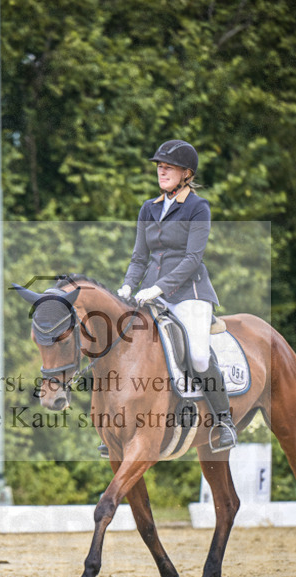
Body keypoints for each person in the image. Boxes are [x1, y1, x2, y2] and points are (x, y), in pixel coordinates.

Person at [117, 139, 237, 452]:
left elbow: (192, 258)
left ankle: (224, 420)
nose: (162, 171)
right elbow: (139, 257)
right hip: (151, 294)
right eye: (159, 166)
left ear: (186, 173)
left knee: (197, 354)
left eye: (168, 167)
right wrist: (128, 286)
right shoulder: (149, 208)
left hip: (190, 292)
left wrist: (159, 287)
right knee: (129, 348)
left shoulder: (198, 207)